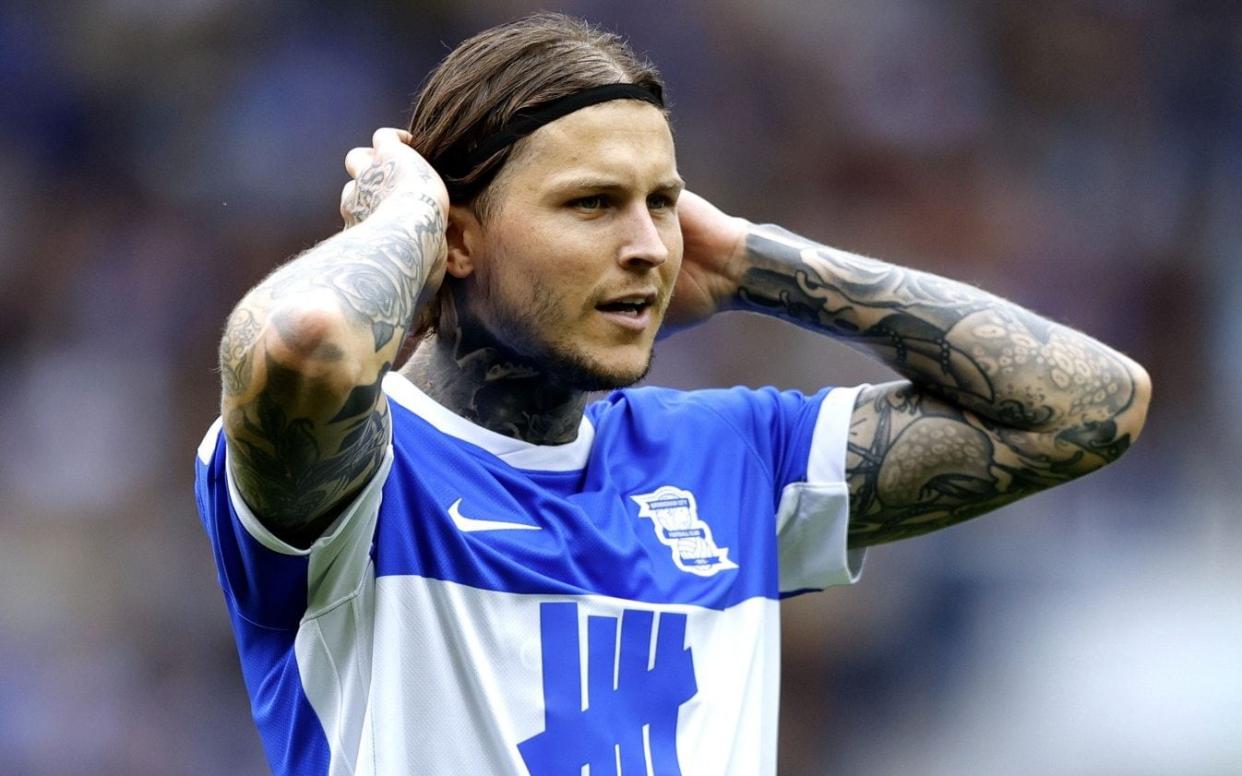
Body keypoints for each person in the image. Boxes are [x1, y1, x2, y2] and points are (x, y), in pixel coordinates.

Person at [194, 13, 1151, 776]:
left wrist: (749, 259)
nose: (650, 244)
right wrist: (404, 208)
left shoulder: (732, 456)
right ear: (456, 236)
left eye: (662, 202)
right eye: (592, 203)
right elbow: (306, 343)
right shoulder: (363, 477)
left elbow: (1090, 403)